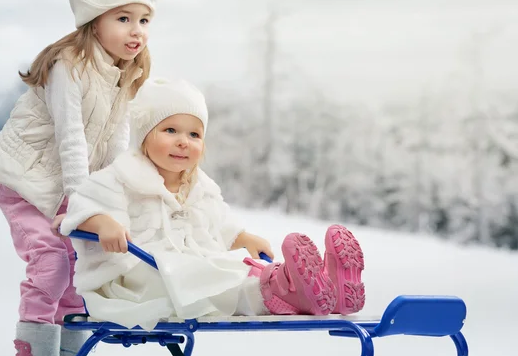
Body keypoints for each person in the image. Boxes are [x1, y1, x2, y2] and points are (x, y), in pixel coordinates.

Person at [56, 78, 365, 332]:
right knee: (219, 277)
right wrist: (102, 222)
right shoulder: (120, 177)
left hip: (191, 268)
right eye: (170, 130)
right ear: (143, 137)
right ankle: (287, 288)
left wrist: (241, 238)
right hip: (138, 280)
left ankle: (324, 288)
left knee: (236, 268)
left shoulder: (198, 185)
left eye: (194, 134)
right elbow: (83, 204)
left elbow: (219, 221)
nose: (183, 141)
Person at [0, 0, 162, 356]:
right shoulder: (70, 64)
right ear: (93, 22)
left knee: (82, 274)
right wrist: (87, 205)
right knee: (51, 265)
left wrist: (116, 199)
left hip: (69, 189)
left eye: (143, 19)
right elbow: (72, 140)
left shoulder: (124, 73)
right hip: (28, 184)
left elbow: (117, 145)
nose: (136, 30)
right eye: (123, 18)